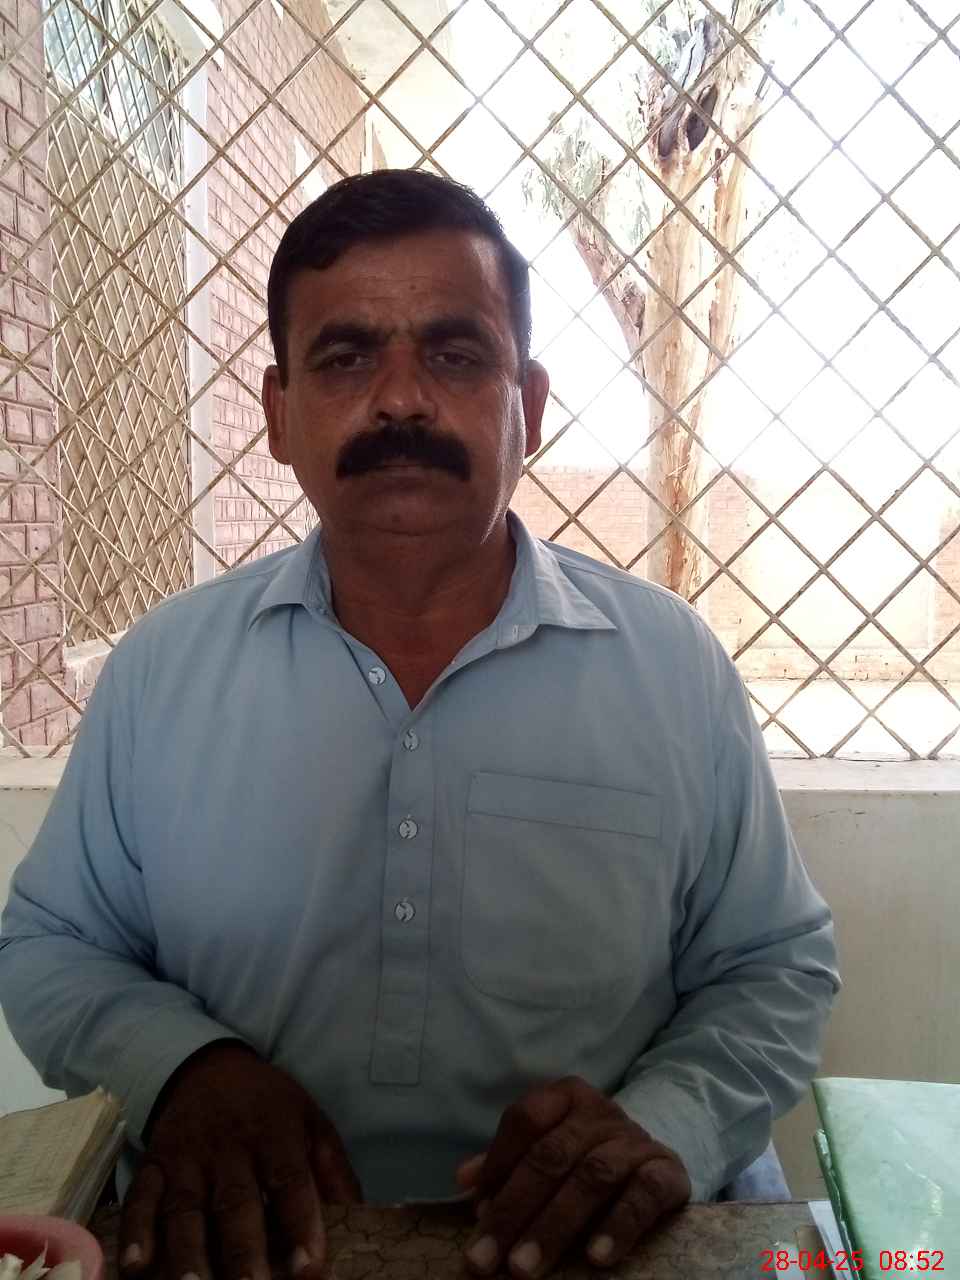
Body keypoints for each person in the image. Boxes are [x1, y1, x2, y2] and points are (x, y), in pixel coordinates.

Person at [0, 169, 839, 1280]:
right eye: (347, 358)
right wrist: (187, 1070)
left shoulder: (671, 669)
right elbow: (52, 945)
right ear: (279, 415)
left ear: (527, 403)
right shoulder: (164, 671)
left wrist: (665, 1124)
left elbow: (774, 964)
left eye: (454, 354)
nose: (400, 401)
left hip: (593, 1253)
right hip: (240, 1245)